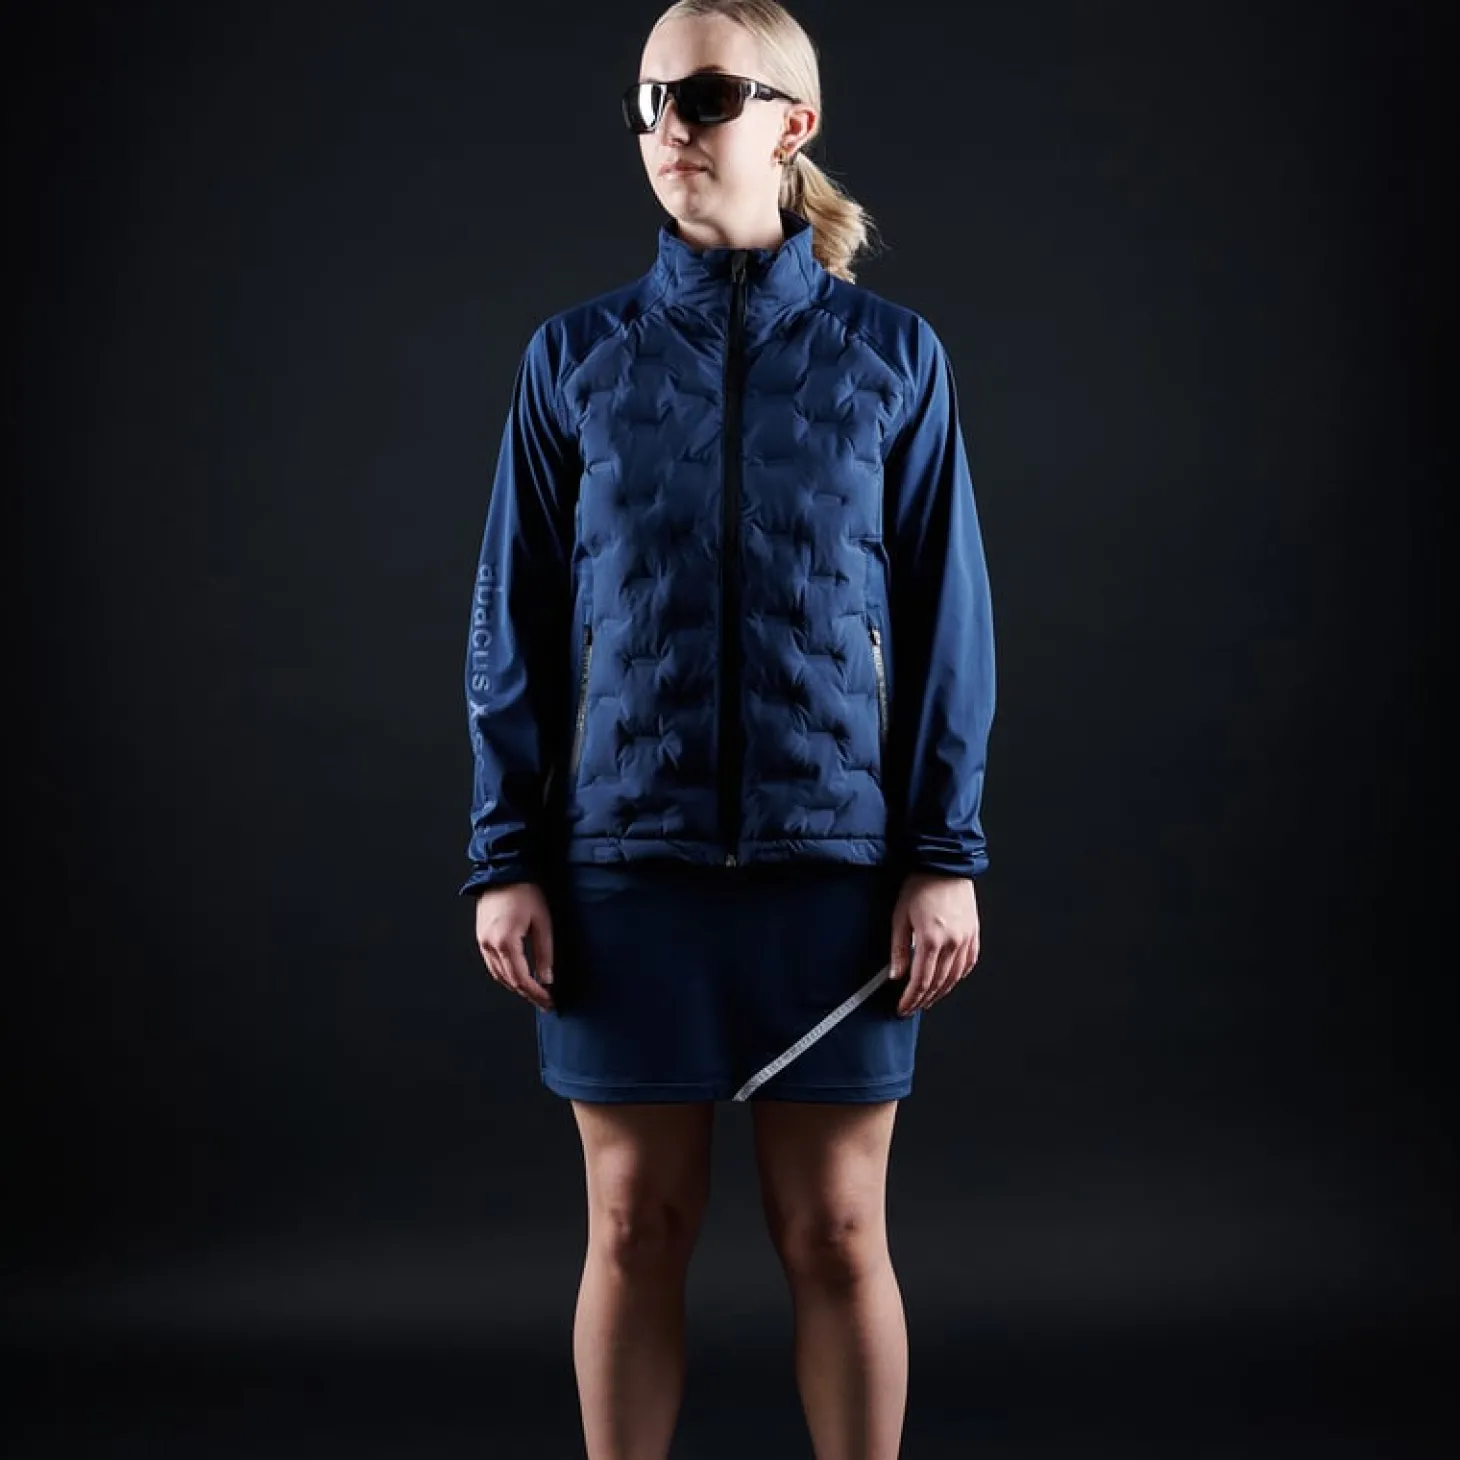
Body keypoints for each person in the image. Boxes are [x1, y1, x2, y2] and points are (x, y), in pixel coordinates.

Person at [459, 2, 995, 1455]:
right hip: (624, 871)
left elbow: (949, 620)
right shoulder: (574, 358)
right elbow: (512, 619)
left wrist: (944, 855)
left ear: (792, 123)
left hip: (836, 872)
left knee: (837, 1231)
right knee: (634, 1225)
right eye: (646, 101)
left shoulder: (896, 358)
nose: (667, 130)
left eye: (700, 97)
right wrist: (506, 856)